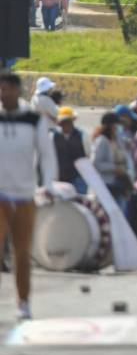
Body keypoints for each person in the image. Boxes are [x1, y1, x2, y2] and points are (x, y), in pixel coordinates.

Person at [0, 73, 58, 320]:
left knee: (22, 253)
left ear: (18, 91)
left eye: (9, 89)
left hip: (24, 194)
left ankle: (23, 302)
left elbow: (46, 153)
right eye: (1, 90)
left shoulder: (33, 119)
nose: (5, 94)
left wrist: (48, 185)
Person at [52, 107, 88, 195]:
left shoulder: (82, 135)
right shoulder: (54, 137)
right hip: (61, 178)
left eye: (69, 121)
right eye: (64, 122)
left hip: (78, 177)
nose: (66, 124)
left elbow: (87, 156)